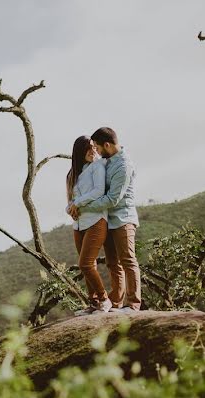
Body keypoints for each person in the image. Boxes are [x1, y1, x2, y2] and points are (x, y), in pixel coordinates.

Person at [68, 127, 141, 312]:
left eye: (98, 148)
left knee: (128, 260)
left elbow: (112, 199)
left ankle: (133, 305)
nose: (96, 151)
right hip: (108, 218)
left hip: (123, 218)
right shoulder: (106, 162)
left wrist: (81, 207)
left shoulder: (123, 166)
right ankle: (115, 302)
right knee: (112, 263)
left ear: (107, 145)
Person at [64, 135, 111, 315]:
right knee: (89, 265)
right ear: (79, 151)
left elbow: (98, 191)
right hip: (78, 225)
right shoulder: (72, 174)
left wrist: (78, 203)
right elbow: (70, 200)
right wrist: (71, 208)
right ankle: (93, 303)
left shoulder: (97, 166)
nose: (93, 151)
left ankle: (104, 298)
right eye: (89, 148)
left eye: (94, 147)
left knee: (84, 263)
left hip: (96, 220)